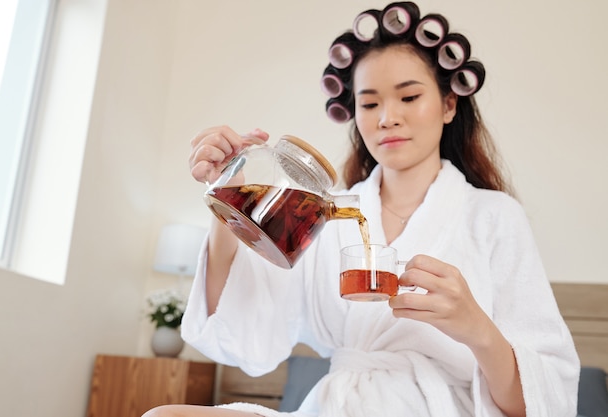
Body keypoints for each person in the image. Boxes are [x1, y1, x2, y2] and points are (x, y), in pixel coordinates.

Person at [144, 2, 579, 416]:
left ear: (449, 104)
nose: (387, 117)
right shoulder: (327, 215)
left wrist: (477, 330)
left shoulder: (494, 216)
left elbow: (544, 401)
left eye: (408, 98)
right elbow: (244, 331)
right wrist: (228, 197)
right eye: (369, 103)